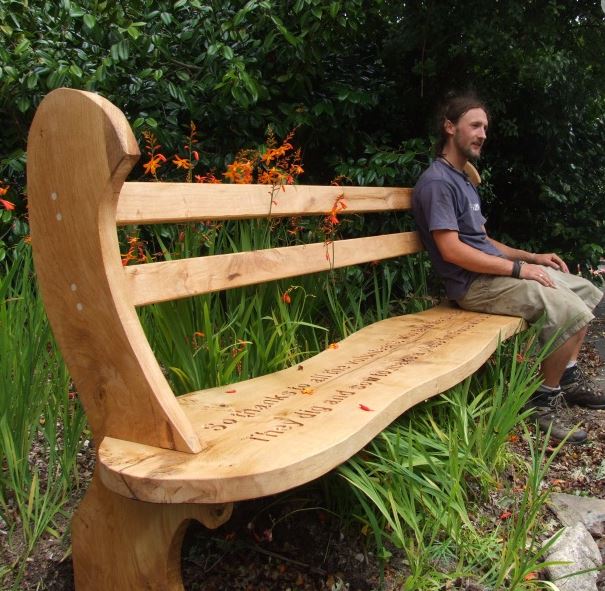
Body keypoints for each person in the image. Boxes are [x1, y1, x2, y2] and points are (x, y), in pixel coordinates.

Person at [412, 92, 604, 443]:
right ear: (449, 127)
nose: (483, 134)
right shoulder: (438, 182)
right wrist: (517, 271)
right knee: (567, 308)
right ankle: (542, 404)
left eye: (485, 127)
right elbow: (451, 250)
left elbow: (483, 240)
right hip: (472, 286)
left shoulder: (464, 180)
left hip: (492, 273)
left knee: (584, 290)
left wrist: (530, 258)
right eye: (475, 125)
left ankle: (568, 378)